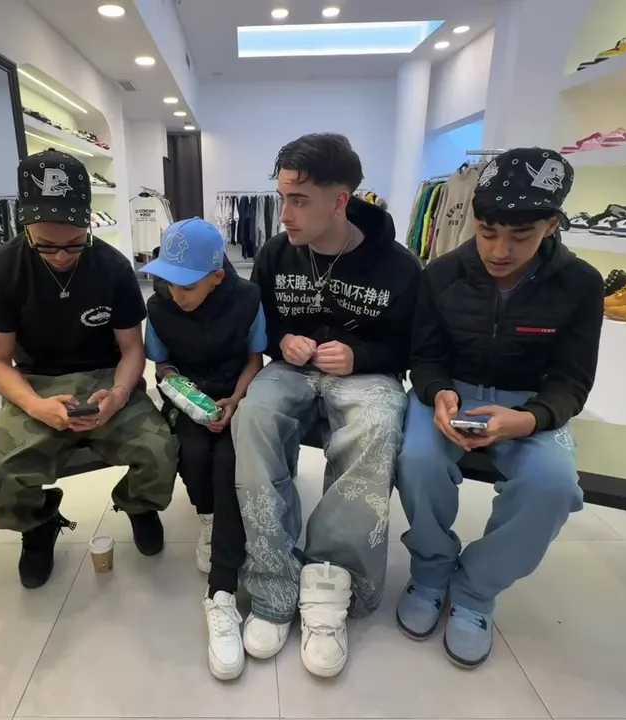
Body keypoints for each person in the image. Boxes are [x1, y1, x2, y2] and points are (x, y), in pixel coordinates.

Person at [395, 148, 604, 668]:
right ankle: (430, 572)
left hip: (529, 402)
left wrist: (529, 418)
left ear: (551, 226)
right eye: (488, 233)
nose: (499, 250)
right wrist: (437, 393)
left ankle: (474, 590)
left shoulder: (581, 284)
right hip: (452, 393)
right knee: (416, 460)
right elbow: (425, 357)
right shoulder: (441, 274)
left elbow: (573, 380)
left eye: (520, 236)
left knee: (552, 486)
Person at [231, 133, 422, 678]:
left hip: (367, 375)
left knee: (379, 425)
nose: (284, 214)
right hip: (291, 370)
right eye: (282, 198)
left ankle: (331, 582)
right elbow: (263, 324)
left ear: (340, 200)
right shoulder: (275, 254)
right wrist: (282, 339)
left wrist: (362, 354)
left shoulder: (399, 267)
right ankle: (272, 578)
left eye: (299, 200)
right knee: (253, 416)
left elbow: (414, 347)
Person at [0, 149, 178, 590]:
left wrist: (119, 395)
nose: (61, 255)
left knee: (161, 451)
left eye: (75, 243)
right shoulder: (2, 269)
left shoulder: (112, 266)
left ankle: (138, 505)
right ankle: (38, 524)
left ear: (88, 223)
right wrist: (35, 406)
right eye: (46, 245)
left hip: (106, 377)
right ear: (25, 223)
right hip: (35, 382)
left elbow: (131, 350)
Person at [141, 218, 267, 681]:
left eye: (188, 285)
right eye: (169, 281)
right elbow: (162, 365)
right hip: (188, 399)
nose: (176, 293)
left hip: (236, 393)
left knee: (229, 460)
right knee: (192, 453)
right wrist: (182, 390)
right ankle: (209, 518)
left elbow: (255, 358)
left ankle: (222, 584)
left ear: (216, 276)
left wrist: (235, 399)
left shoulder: (247, 299)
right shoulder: (159, 307)